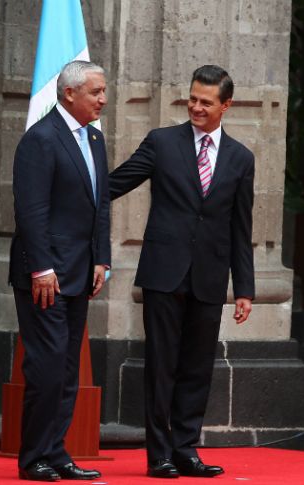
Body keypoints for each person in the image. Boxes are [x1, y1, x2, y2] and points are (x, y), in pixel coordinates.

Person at [109, 65, 255, 479]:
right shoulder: (162, 142)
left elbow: (240, 229)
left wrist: (243, 287)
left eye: (206, 102)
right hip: (163, 273)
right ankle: (159, 455)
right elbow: (115, 184)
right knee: (161, 365)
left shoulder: (241, 158)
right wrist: (70, 194)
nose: (196, 107)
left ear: (226, 105)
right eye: (192, 98)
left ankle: (186, 449)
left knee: (197, 366)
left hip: (209, 277)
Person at [8, 60, 110, 482]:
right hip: (45, 276)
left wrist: (102, 257)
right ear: (69, 93)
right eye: (95, 92)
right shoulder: (41, 139)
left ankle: (56, 451)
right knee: (47, 366)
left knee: (68, 368)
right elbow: (31, 211)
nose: (103, 99)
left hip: (81, 272)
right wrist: (43, 268)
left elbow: (100, 203)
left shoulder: (96, 139)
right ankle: (34, 458)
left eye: (103, 91)